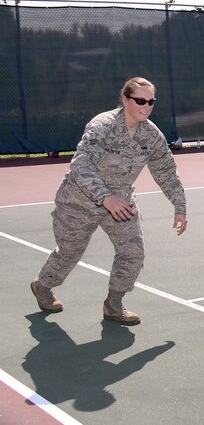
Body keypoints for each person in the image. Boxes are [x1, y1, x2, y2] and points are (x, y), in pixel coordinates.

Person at [30, 77, 187, 325]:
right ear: (125, 99)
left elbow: (166, 171)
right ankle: (43, 286)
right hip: (79, 201)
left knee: (133, 251)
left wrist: (180, 206)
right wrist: (106, 197)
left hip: (120, 204)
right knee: (70, 253)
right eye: (140, 101)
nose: (146, 107)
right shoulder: (102, 126)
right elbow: (80, 165)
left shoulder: (151, 135)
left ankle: (113, 305)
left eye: (151, 102)